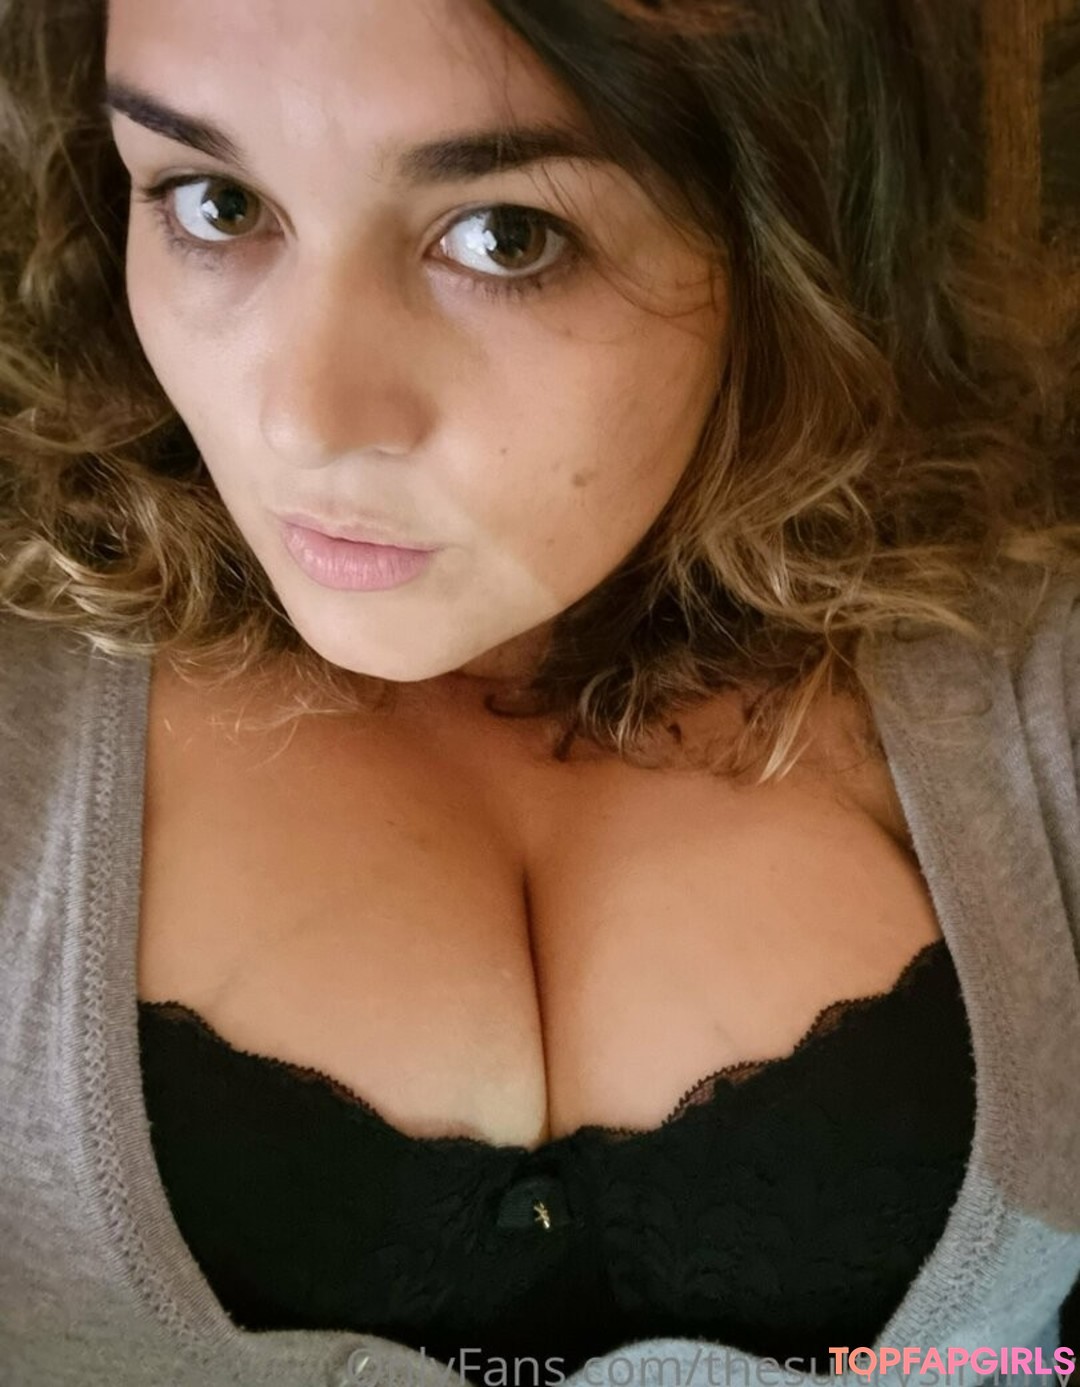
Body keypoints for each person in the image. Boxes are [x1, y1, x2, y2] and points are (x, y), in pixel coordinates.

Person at [0, 1, 1078, 1385]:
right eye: (215, 202)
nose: (303, 419)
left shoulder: (1023, 666)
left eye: (506, 236)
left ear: (781, 222)